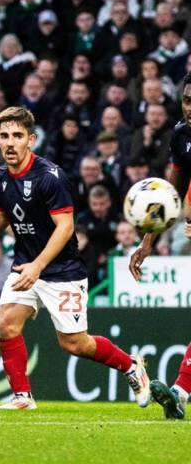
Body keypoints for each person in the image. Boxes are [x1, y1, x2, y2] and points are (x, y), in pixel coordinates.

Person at [0, 106, 149, 410]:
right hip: (26, 264)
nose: (10, 143)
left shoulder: (51, 177)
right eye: (4, 136)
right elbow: (1, 217)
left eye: (17, 136)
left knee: (75, 343)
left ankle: (131, 366)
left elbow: (65, 228)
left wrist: (39, 266)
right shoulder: (0, 176)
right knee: (7, 324)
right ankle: (22, 397)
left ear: (31, 140)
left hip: (62, 270)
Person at [131, 73, 191, 420]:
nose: (189, 107)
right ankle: (180, 393)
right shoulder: (183, 135)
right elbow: (172, 193)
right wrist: (147, 241)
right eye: (186, 99)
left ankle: (181, 392)